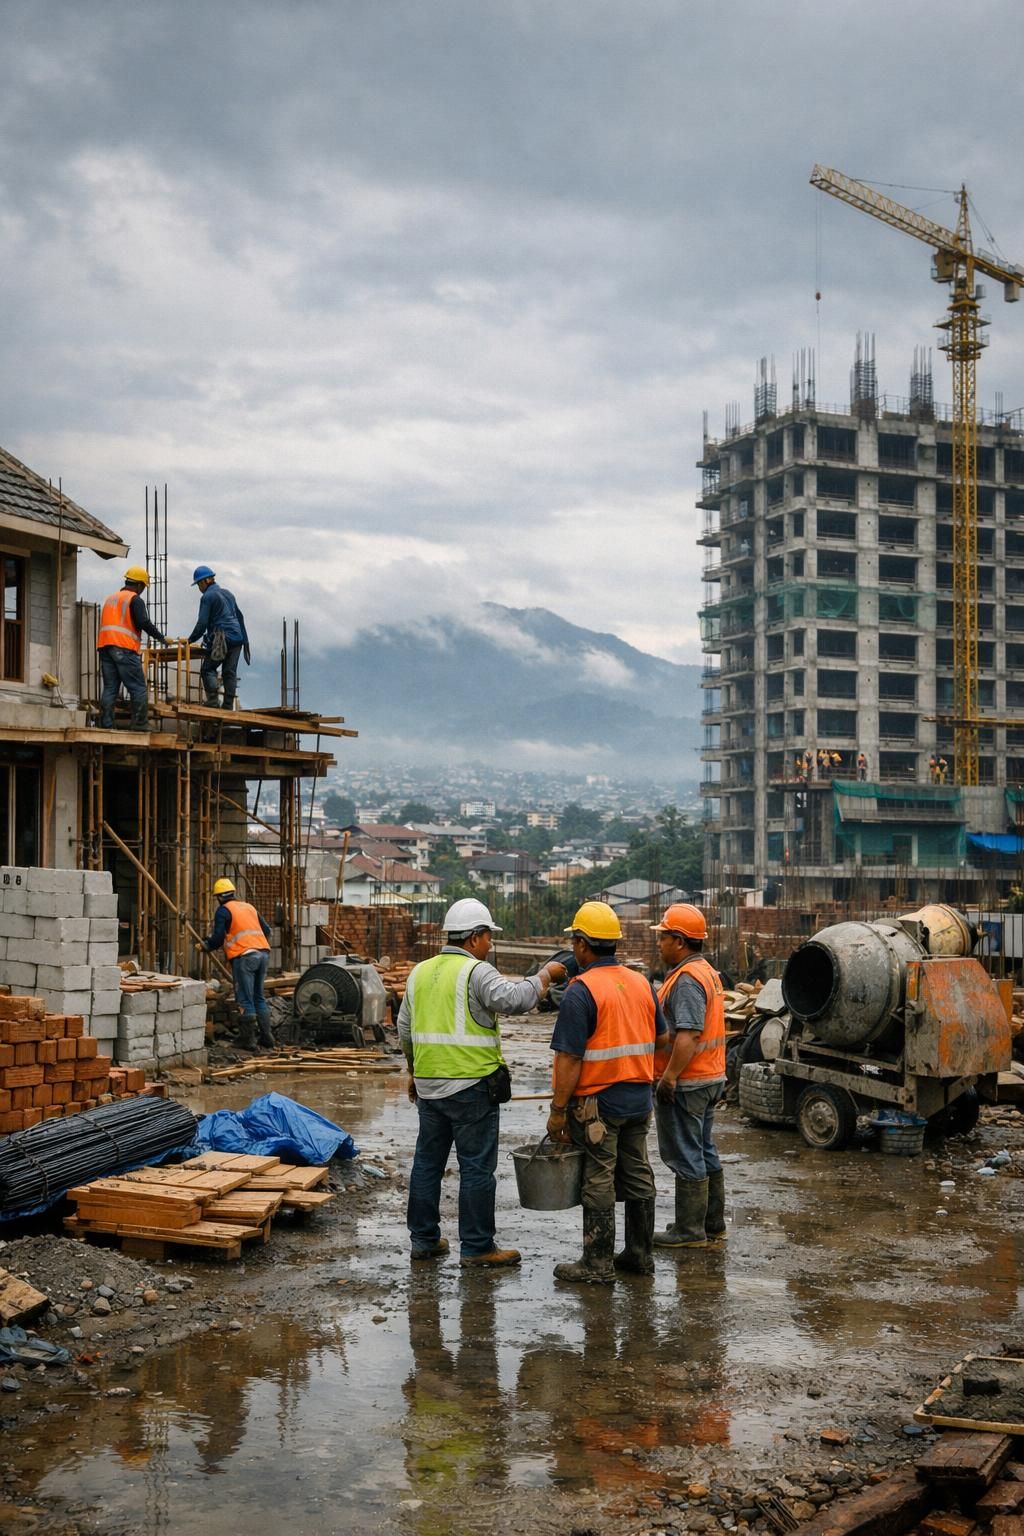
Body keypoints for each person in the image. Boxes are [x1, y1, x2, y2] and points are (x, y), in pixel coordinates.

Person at [399, 897, 566, 1268]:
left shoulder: (419, 973)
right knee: (476, 1168)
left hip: (430, 1086)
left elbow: (404, 1030)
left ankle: (424, 1241)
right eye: (488, 936)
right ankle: (476, 1247)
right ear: (475, 937)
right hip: (471, 1087)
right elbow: (516, 1000)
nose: (490, 944)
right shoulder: (477, 972)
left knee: (427, 1164)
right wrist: (546, 975)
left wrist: (414, 1071)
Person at [547, 901, 668, 1285]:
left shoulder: (581, 991)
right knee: (637, 1171)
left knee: (598, 1176)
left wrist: (558, 1110)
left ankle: (597, 1264)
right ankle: (639, 1255)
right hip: (638, 1099)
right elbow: (662, 1037)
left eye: (575, 940)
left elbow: (569, 1058)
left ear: (582, 944)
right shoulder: (639, 982)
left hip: (599, 1103)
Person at [650, 903, 728, 1251]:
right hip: (710, 1077)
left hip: (689, 1081)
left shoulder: (687, 980)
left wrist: (668, 1078)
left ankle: (690, 1229)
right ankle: (711, 1223)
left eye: (663, 936)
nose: (659, 943)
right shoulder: (706, 971)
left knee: (685, 1153)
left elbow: (688, 1035)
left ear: (679, 940)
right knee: (704, 1149)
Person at [198, 877, 274, 1051]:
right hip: (263, 954)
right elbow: (267, 930)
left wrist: (206, 946)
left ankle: (248, 1041)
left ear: (218, 897)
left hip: (245, 957)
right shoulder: (248, 907)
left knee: (245, 998)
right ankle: (267, 1038)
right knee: (258, 997)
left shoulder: (223, 911)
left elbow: (217, 939)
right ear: (233, 892)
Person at [96, 566, 166, 730]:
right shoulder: (134, 599)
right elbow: (143, 622)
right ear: (140, 585)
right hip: (124, 648)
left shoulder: (110, 599)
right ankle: (140, 724)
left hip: (105, 647)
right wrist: (160, 637)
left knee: (110, 688)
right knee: (138, 687)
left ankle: (106, 724)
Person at [187, 565, 250, 710]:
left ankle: (213, 701)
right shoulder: (228, 593)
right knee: (229, 672)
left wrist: (189, 641)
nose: (199, 588)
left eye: (198, 584)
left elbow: (202, 623)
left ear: (204, 582)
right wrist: (245, 640)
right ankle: (228, 705)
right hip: (237, 637)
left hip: (222, 638)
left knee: (208, 669)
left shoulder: (207, 597)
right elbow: (240, 616)